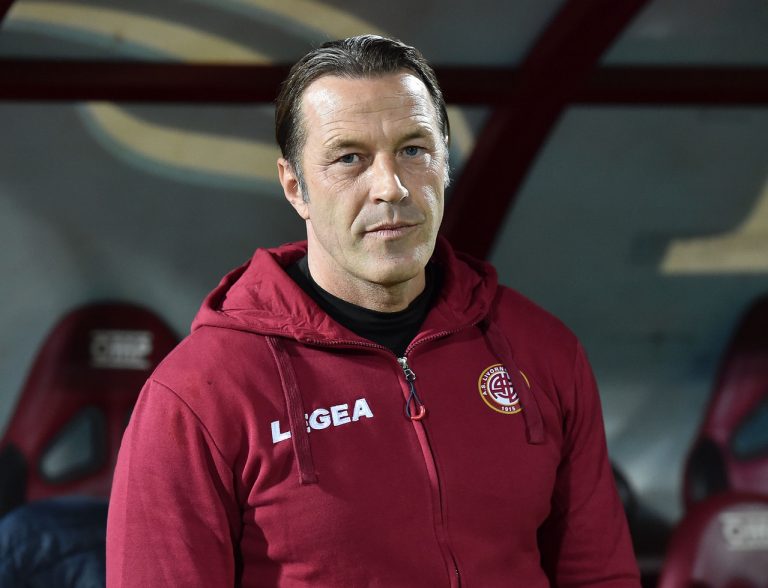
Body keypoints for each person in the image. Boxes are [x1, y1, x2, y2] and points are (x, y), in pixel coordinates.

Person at [107, 35, 640, 587]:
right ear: (295, 186)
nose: (391, 187)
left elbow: (601, 577)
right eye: (349, 158)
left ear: (444, 161)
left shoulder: (541, 350)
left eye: (413, 150)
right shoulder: (197, 395)